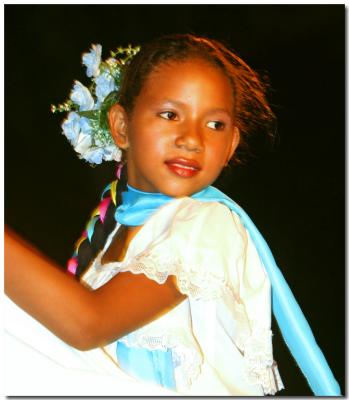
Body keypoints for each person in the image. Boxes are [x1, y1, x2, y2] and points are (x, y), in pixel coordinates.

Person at [4, 34, 341, 396]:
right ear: (121, 127)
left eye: (215, 125)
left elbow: (89, 324)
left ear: (231, 146)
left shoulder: (205, 224)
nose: (192, 139)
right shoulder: (114, 233)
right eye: (170, 115)